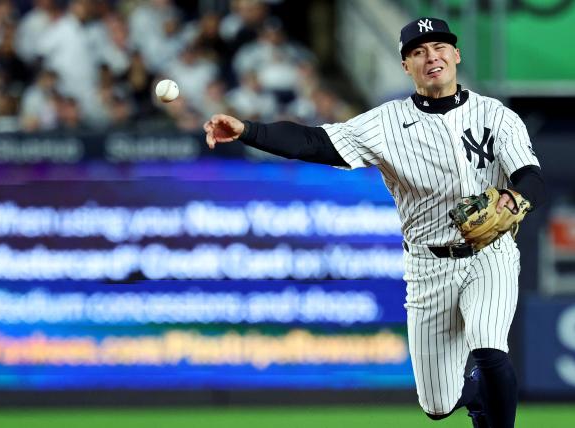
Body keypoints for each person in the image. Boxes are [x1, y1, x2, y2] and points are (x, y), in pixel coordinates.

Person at [204, 17, 545, 428]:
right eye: (418, 52)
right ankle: (477, 396)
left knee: (489, 345)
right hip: (427, 265)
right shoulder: (385, 123)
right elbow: (315, 143)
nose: (431, 57)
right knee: (438, 404)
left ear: (456, 54)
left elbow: (530, 175)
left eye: (439, 47)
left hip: (490, 254)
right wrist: (248, 130)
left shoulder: (497, 115)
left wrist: (513, 197)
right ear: (406, 66)